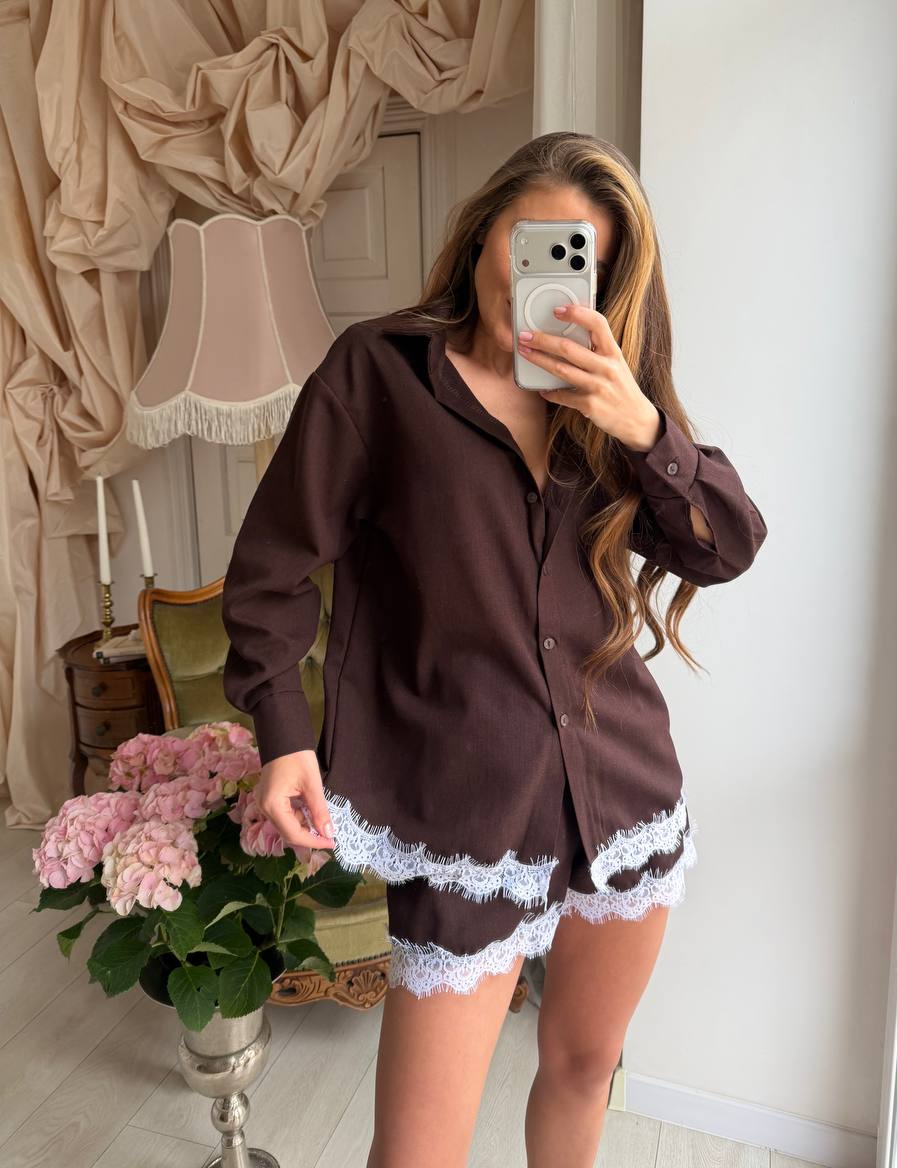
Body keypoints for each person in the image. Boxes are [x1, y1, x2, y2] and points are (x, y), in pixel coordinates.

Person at [220, 130, 768, 1167]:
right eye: (527, 241)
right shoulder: (376, 375)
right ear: (482, 235)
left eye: (574, 256)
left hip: (621, 793)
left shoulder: (610, 397)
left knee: (583, 1070)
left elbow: (728, 545)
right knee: (417, 1151)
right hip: (462, 810)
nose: (537, 275)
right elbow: (268, 573)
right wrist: (284, 736)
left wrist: (643, 426)